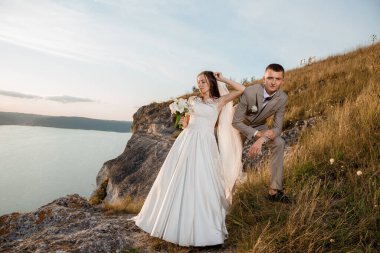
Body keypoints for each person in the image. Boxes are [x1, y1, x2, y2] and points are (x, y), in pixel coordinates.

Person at [130, 71, 246, 247]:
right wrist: (181, 119)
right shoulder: (192, 100)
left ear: (211, 82)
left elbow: (242, 89)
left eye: (204, 81)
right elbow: (186, 123)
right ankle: (172, 224)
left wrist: (222, 78)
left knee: (204, 183)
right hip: (187, 141)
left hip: (205, 144)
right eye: (198, 82)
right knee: (179, 179)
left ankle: (207, 232)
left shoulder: (219, 101)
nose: (200, 84)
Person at [232, 63, 291, 203]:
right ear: (263, 79)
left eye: (277, 79)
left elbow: (277, 128)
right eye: (270, 78)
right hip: (240, 127)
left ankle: (274, 191)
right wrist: (257, 134)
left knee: (279, 142)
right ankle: (226, 190)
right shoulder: (250, 91)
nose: (273, 82)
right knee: (232, 157)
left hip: (260, 126)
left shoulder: (282, 98)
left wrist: (261, 139)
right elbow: (236, 122)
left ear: (282, 81)